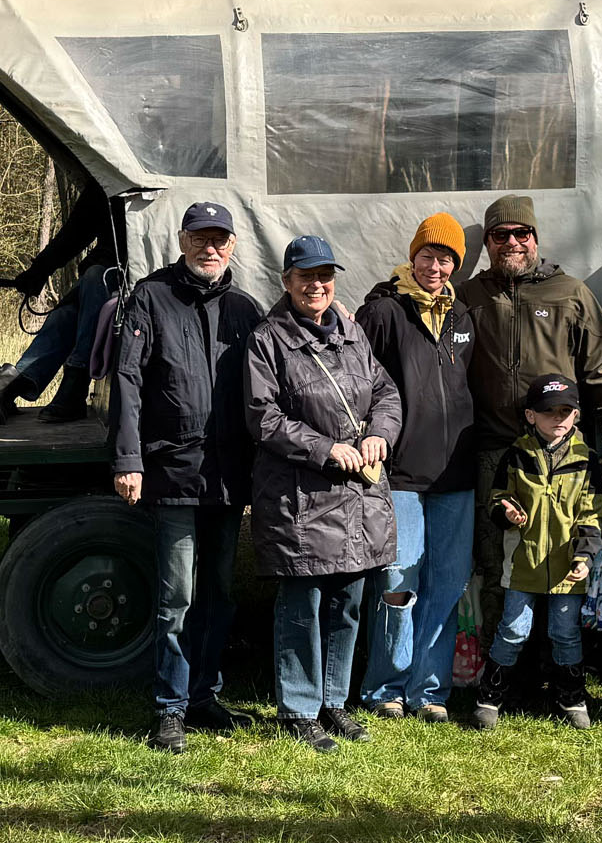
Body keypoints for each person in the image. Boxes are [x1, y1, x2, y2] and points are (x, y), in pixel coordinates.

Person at [111, 202, 261, 753]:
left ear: (233, 245)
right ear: (182, 240)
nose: (210, 248)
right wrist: (129, 459)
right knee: (177, 596)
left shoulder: (245, 309)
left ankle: (203, 695)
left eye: (220, 238)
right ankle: (170, 707)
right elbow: (127, 381)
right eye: (200, 237)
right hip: (172, 471)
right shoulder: (150, 298)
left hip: (226, 476)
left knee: (219, 593)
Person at [244, 235, 402, 753]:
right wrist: (325, 448)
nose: (317, 285)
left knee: (348, 604)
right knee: (302, 607)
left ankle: (334, 704)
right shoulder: (267, 340)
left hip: (356, 497)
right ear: (286, 282)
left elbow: (386, 392)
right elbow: (262, 417)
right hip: (301, 498)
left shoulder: (353, 334)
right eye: (306, 276)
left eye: (325, 276)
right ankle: (299, 709)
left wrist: (381, 431)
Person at [462, 195, 602, 640]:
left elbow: (601, 364)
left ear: (536, 238)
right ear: (488, 243)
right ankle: (502, 661)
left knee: (560, 550)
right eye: (501, 235)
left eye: (522, 233)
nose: (512, 242)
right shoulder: (472, 296)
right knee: (498, 551)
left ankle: (556, 657)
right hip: (497, 449)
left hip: (560, 452)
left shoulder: (569, 293)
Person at [357, 213, 477, 724]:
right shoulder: (384, 311)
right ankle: (386, 685)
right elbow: (360, 384)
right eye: (428, 254)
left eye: (446, 257)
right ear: (413, 256)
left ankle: (429, 690)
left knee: (447, 583)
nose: (436, 265)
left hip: (456, 475)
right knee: (398, 583)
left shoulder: (463, 317)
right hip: (400, 473)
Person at [472, 374, 602, 731]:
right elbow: (496, 498)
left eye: (566, 411)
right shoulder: (516, 455)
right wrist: (507, 512)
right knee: (513, 631)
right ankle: (490, 696)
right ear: (531, 416)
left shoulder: (588, 459)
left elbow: (592, 514)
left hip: (567, 568)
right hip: (522, 564)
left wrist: (584, 557)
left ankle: (571, 697)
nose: (558, 419)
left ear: (576, 415)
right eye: (549, 412)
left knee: (565, 633)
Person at [1, 180, 122, 423]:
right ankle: (12, 386)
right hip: (98, 286)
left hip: (129, 282)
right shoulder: (108, 185)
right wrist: (38, 272)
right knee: (64, 316)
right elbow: (73, 235)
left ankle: (76, 383)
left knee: (95, 275)